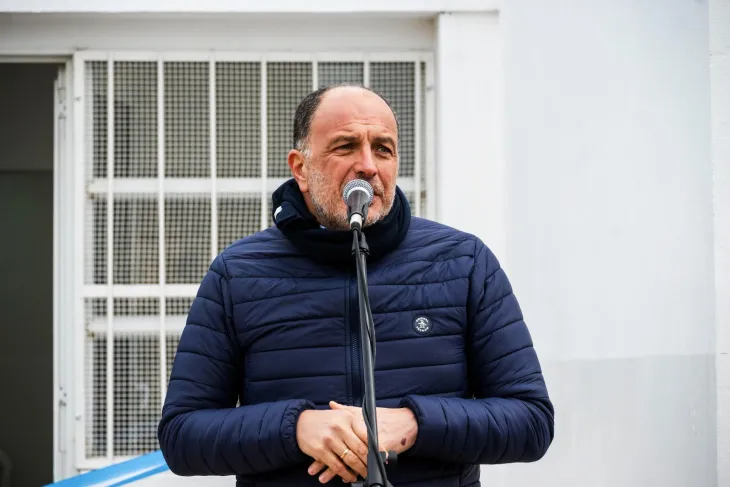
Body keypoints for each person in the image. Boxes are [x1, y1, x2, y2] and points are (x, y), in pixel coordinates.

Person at [158, 84, 554, 486]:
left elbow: (531, 421)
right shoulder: (237, 273)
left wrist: (415, 424)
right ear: (300, 168)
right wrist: (295, 427)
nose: (367, 165)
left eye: (383, 149)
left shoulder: (464, 261)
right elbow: (182, 436)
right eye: (346, 147)